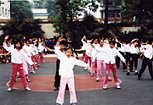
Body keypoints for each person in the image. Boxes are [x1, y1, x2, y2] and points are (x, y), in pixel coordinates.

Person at [54, 39, 89, 105]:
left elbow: (79, 62)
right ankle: (59, 102)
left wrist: (87, 65)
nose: (69, 53)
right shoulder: (62, 57)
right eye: (67, 52)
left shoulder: (73, 59)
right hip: (63, 76)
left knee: (72, 90)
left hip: (70, 76)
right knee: (61, 90)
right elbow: (56, 49)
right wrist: (59, 43)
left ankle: (73, 101)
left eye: (70, 52)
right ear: (65, 52)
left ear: (72, 53)